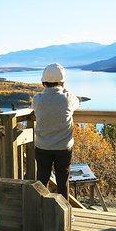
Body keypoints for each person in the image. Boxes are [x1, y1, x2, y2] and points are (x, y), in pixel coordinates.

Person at [31, 63, 80, 201]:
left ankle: (41, 211)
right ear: (62, 81)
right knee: (62, 181)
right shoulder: (68, 98)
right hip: (63, 147)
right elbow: (76, 103)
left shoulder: (37, 99)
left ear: (43, 81)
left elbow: (33, 108)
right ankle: (64, 212)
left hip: (43, 147)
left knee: (41, 180)